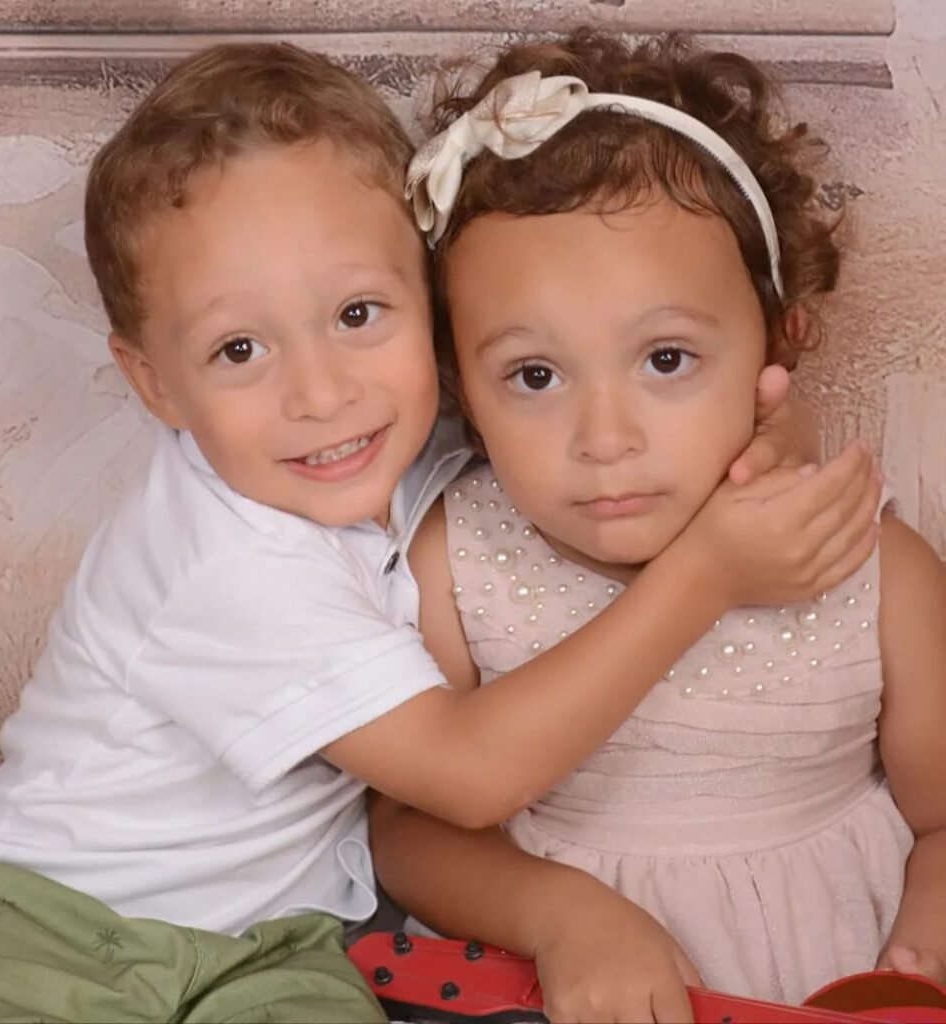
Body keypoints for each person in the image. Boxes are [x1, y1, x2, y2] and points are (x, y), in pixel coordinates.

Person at [0, 39, 879, 1023]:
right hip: (48, 919)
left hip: (270, 945)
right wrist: (706, 574)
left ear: (432, 310)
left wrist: (766, 431)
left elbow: (584, 397)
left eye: (357, 313)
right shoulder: (222, 560)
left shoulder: (384, 446)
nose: (321, 392)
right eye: (239, 348)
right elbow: (468, 774)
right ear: (154, 381)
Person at [371, 30, 946, 1024]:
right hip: (560, 986)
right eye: (535, 375)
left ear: (778, 342)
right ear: (460, 383)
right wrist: (558, 913)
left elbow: (942, 819)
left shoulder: (873, 565)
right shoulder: (458, 565)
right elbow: (404, 830)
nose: (606, 439)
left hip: (829, 976)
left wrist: (926, 941)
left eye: (666, 360)